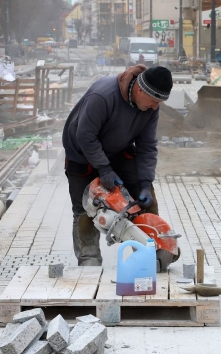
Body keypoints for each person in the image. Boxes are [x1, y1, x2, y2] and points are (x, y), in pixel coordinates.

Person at [62, 65, 173, 266]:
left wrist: (145, 183)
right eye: (154, 101)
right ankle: (89, 261)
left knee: (145, 200)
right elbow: (85, 136)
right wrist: (104, 169)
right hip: (81, 153)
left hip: (116, 151)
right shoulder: (103, 95)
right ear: (140, 90)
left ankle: (152, 253)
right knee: (86, 210)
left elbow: (147, 146)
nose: (155, 107)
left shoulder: (149, 108)